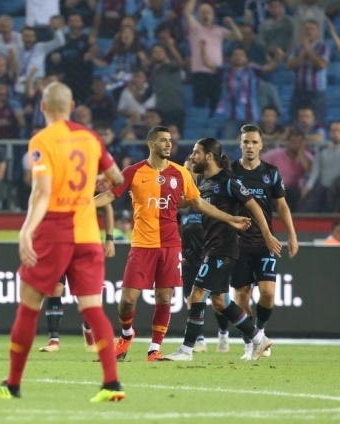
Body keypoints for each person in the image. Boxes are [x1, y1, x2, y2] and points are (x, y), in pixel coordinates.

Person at [0, 82, 126, 403]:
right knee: (92, 308)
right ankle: (112, 383)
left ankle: (13, 384)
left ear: (43, 107)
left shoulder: (42, 140)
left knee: (29, 304)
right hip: (87, 231)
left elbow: (42, 191)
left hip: (55, 230)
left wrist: (26, 230)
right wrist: (95, 178)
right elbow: (117, 179)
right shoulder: (91, 138)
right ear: (72, 105)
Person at [94, 126, 253, 362]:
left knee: (164, 298)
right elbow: (109, 195)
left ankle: (154, 348)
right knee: (127, 300)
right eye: (163, 140)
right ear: (151, 144)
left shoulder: (180, 173)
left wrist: (230, 218)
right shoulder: (133, 172)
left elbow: (198, 203)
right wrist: (81, 204)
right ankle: (126, 334)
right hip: (142, 243)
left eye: (170, 140)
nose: (168, 144)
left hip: (170, 244)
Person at [161, 137, 280, 362]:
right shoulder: (201, 181)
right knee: (221, 302)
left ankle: (186, 350)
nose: (192, 157)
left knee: (196, 294)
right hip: (210, 246)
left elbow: (253, 205)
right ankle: (259, 338)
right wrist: (162, 198)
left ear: (209, 156)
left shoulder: (228, 181)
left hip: (223, 247)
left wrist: (266, 234)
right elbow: (188, 202)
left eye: (196, 152)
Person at [215, 125, 299, 359]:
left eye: (254, 142)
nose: (250, 146)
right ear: (240, 144)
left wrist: (292, 235)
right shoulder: (230, 172)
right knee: (241, 295)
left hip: (265, 242)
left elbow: (281, 205)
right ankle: (249, 343)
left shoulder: (271, 172)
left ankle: (260, 332)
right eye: (246, 142)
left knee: (268, 293)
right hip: (237, 244)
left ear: (261, 145)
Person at [38, 203, 117, 353]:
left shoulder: (89, 188)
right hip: (59, 242)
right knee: (56, 287)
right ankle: (53, 340)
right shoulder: (55, 189)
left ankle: (89, 330)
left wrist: (109, 238)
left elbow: (107, 205)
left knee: (89, 296)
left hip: (86, 243)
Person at [178, 157, 207, 353]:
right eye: (184, 170)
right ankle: (199, 339)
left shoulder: (208, 196)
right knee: (191, 298)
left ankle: (228, 335)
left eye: (190, 170)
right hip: (189, 259)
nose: (187, 174)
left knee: (221, 301)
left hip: (209, 257)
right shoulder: (181, 202)